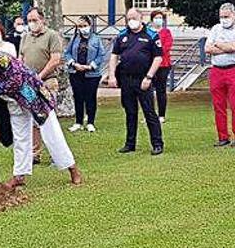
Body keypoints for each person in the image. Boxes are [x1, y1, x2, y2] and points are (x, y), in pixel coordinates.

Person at [0, 41, 82, 188]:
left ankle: (72, 169)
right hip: (15, 105)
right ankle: (19, 175)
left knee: (52, 135)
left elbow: (16, 80)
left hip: (34, 99)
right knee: (20, 138)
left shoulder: (0, 58)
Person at [107, 8, 164, 155]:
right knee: (130, 112)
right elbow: (114, 56)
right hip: (126, 79)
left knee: (149, 112)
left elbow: (158, 58)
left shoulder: (151, 35)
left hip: (144, 79)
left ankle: (157, 143)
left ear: (141, 17)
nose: (131, 21)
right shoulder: (122, 35)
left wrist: (149, 77)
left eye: (134, 18)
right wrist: (112, 75)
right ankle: (130, 143)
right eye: (128, 18)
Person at [19, 7, 63, 163]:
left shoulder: (52, 36)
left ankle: (56, 155)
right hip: (28, 85)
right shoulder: (25, 37)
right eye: (29, 20)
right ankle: (35, 154)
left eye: (34, 20)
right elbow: (21, 60)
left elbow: (55, 60)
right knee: (33, 119)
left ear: (42, 20)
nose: (32, 23)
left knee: (49, 119)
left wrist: (39, 77)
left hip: (47, 82)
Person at [205, 3, 235, 147]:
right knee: (218, 105)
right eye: (221, 17)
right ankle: (222, 137)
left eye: (226, 16)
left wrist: (218, 44)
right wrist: (227, 47)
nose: (224, 19)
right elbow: (207, 48)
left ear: (234, 15)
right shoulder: (215, 28)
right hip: (217, 69)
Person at [64, 15, 106, 133]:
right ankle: (78, 122)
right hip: (76, 72)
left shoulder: (96, 39)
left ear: (90, 25)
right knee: (78, 97)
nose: (82, 28)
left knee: (90, 97)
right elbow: (67, 53)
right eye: (80, 26)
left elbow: (101, 55)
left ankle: (90, 122)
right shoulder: (74, 38)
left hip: (92, 74)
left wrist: (90, 66)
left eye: (84, 26)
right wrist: (73, 63)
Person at [150, 10, 174, 123]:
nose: (158, 20)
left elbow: (167, 47)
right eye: (156, 18)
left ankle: (161, 115)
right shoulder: (149, 32)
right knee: (148, 91)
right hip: (150, 65)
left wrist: (155, 53)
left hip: (163, 64)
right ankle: (150, 114)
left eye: (160, 18)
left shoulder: (166, 32)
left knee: (161, 90)